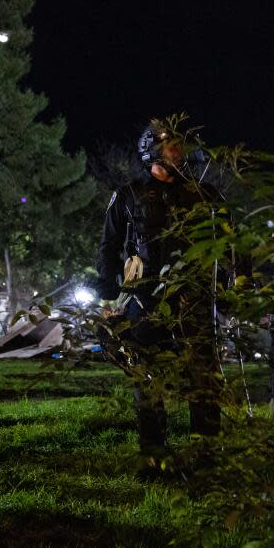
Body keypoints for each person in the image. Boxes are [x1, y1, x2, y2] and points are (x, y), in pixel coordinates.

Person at [95, 121, 225, 463]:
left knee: (203, 380)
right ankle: (153, 455)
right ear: (152, 150)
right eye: (172, 146)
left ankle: (207, 457)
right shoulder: (128, 195)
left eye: (180, 146)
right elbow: (108, 247)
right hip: (144, 299)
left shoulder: (205, 195)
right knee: (146, 377)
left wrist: (233, 285)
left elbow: (228, 248)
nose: (179, 152)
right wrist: (108, 294)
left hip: (194, 299)